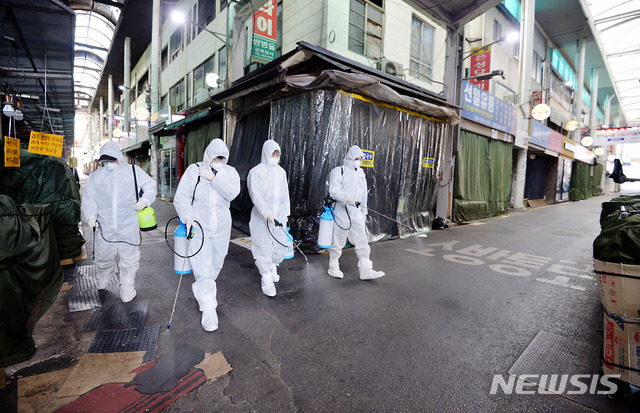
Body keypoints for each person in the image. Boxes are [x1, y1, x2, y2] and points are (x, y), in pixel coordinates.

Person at [173, 139, 240, 332]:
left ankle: (205, 289)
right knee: (202, 265)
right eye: (216, 157)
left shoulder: (230, 172)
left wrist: (213, 178)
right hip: (199, 225)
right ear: (208, 156)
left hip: (221, 226)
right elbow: (182, 197)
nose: (219, 161)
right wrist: (187, 216)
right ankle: (209, 307)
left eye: (222, 158)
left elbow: (232, 193)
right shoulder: (193, 171)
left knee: (216, 263)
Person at [82, 141, 156, 302]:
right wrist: (91, 216)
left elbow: (150, 186)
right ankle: (104, 274)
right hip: (104, 225)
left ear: (118, 158)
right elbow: (89, 199)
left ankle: (127, 286)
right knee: (103, 256)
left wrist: (145, 201)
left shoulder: (133, 172)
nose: (109, 164)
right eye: (105, 161)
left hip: (128, 224)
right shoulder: (96, 176)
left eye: (111, 160)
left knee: (129, 258)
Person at [327, 145, 385, 280]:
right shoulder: (339, 171)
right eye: (356, 158)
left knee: (362, 241)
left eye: (360, 159)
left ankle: (366, 270)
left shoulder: (361, 173)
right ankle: (333, 266)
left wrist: (363, 212)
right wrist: (347, 198)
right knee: (338, 240)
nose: (358, 161)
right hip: (341, 212)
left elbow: (364, 195)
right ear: (349, 157)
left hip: (356, 213)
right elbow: (333, 191)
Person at [247, 140, 290, 297]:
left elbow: (285, 195)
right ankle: (265, 277)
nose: (275, 156)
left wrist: (285, 213)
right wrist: (267, 213)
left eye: (277, 153)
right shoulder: (256, 172)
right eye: (273, 153)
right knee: (263, 246)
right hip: (262, 217)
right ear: (266, 153)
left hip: (279, 216)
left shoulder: (281, 172)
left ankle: (273, 266)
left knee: (280, 244)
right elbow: (256, 196)